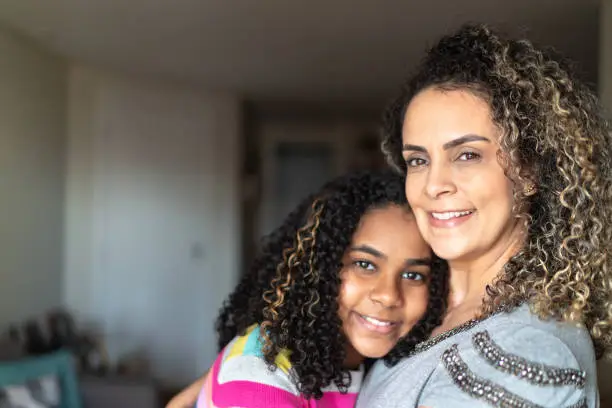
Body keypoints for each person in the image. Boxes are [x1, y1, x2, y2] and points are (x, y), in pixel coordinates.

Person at [355, 23, 612, 408]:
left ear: (529, 171)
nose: (433, 185)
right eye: (418, 160)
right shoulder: (418, 308)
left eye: (467, 155)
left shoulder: (527, 348)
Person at [166, 170, 448, 408]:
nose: (388, 295)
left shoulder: (361, 360)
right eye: (365, 264)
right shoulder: (261, 375)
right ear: (319, 268)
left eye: (413, 274)